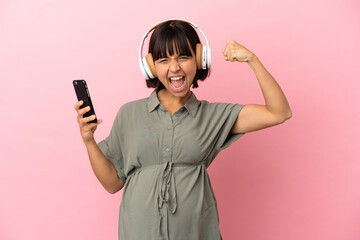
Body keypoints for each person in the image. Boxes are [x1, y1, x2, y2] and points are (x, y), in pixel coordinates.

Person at [74, 19, 292, 240]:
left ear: (199, 59)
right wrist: (89, 140)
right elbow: (112, 184)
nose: (175, 67)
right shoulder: (129, 114)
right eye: (164, 60)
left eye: (184, 57)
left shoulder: (214, 116)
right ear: (151, 66)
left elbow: (279, 112)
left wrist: (252, 60)